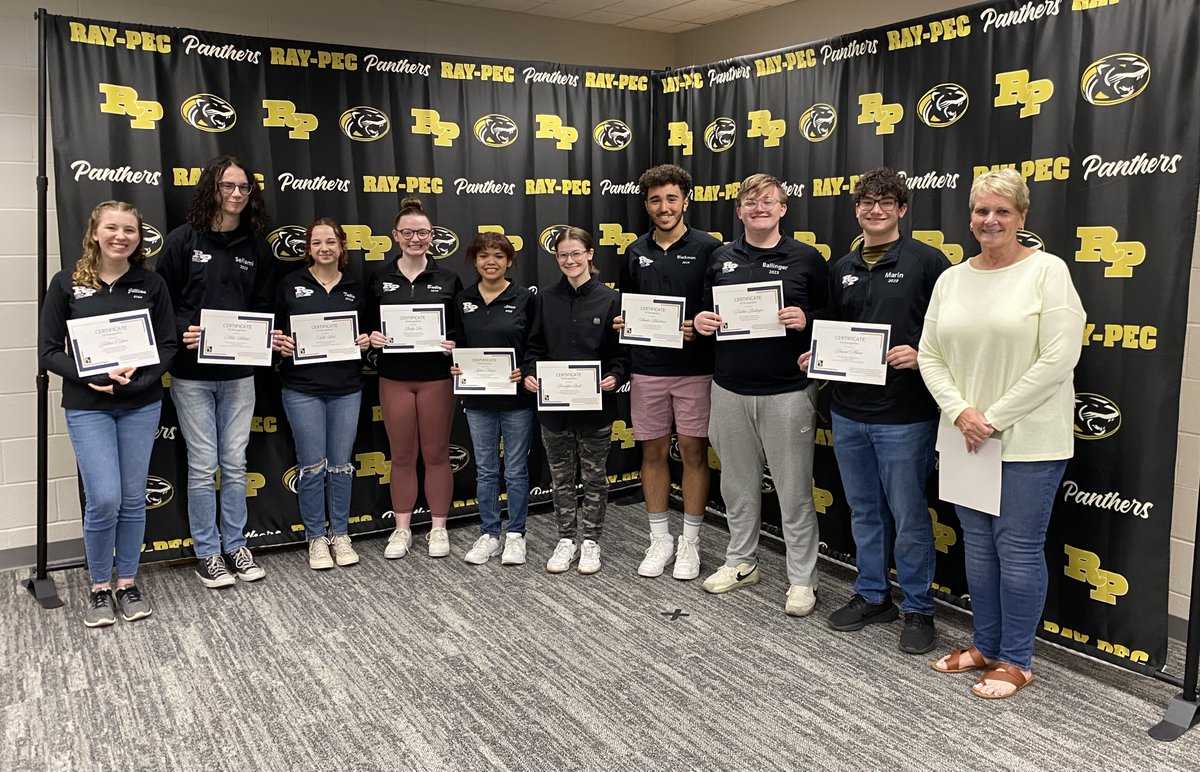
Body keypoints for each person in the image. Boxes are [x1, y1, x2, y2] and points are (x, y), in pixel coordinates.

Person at [919, 169, 1085, 698]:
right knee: (978, 547)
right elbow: (930, 354)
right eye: (981, 211)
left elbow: (1060, 355)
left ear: (1021, 218)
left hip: (1028, 439)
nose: (990, 220)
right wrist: (962, 411)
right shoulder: (951, 279)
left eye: (1002, 212)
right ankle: (986, 645)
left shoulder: (1047, 272)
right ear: (970, 216)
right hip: (965, 436)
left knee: (1016, 548)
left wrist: (993, 417)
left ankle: (1017, 658)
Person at [798, 168, 950, 654]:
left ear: (902, 210)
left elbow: (953, 329)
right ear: (857, 209)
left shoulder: (929, 262)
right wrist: (816, 356)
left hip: (905, 414)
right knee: (864, 511)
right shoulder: (841, 266)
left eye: (886, 202)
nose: (876, 209)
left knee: (908, 515)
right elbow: (837, 329)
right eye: (867, 202)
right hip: (848, 411)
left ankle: (919, 608)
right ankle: (872, 594)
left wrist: (923, 352)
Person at [693, 173, 829, 616]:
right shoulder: (719, 257)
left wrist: (806, 318)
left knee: (793, 492)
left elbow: (833, 317)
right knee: (737, 486)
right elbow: (702, 312)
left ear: (783, 208)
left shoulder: (807, 258)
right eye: (750, 201)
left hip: (788, 392)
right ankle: (741, 562)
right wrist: (701, 323)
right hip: (729, 387)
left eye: (768, 201)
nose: (759, 208)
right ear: (739, 210)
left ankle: (802, 579)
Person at [39, 201, 177, 626]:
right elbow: (47, 352)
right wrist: (89, 374)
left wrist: (141, 380)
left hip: (140, 404)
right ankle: (100, 586)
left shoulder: (151, 284)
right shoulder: (66, 284)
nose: (121, 236)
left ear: (139, 237)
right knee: (104, 498)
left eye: (130, 230)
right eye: (112, 228)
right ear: (95, 232)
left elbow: (168, 345)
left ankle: (127, 582)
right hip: (88, 406)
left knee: (133, 498)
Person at [156, 155, 277, 589]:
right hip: (190, 375)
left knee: (236, 463)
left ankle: (236, 544)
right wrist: (179, 331)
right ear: (212, 187)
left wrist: (265, 337)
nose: (237, 194)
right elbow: (160, 302)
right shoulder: (182, 240)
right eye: (229, 186)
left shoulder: (256, 247)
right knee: (204, 464)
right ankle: (208, 551)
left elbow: (264, 309)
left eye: (244, 188)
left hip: (240, 375)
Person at [616, 164, 722, 581]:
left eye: (671, 198)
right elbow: (628, 303)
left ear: (686, 201)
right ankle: (660, 539)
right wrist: (626, 323)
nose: (664, 207)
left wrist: (697, 325)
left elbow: (720, 311)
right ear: (646, 204)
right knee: (653, 453)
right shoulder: (634, 251)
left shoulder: (710, 248)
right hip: (648, 370)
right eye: (656, 200)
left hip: (696, 370)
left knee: (694, 454)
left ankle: (691, 543)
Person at [523, 227, 629, 575]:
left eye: (575, 253)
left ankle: (591, 541)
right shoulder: (545, 298)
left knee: (596, 477)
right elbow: (535, 346)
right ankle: (566, 539)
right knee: (561, 477)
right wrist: (529, 372)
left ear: (590, 254)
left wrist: (616, 375)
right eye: (562, 255)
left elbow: (621, 353)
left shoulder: (610, 299)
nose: (569, 260)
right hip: (554, 407)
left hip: (595, 406)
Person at [271, 218, 370, 570]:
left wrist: (366, 340)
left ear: (342, 246)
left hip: (347, 388)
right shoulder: (289, 284)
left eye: (331, 242)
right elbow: (274, 333)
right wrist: (279, 344)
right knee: (312, 466)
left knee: (341, 464)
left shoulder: (358, 286)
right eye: (316, 243)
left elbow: (371, 332)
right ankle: (316, 537)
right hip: (302, 389)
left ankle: (340, 534)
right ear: (308, 248)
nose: (324, 248)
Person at [367, 198, 462, 559]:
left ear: (432, 235)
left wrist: (452, 341)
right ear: (395, 235)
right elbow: (366, 328)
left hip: (436, 377)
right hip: (394, 377)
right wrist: (372, 339)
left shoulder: (448, 278)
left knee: (436, 453)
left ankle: (438, 528)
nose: (415, 239)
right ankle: (402, 529)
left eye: (422, 232)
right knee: (402, 455)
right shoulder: (378, 277)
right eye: (408, 233)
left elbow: (458, 329)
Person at [451, 233, 538, 566]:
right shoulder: (463, 299)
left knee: (515, 471)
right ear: (474, 260)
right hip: (478, 401)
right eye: (484, 255)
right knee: (486, 471)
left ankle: (515, 535)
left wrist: (525, 370)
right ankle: (489, 533)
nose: (491, 262)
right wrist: (456, 366)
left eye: (499, 256)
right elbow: (457, 342)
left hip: (516, 400)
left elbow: (534, 344)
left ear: (510, 261)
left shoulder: (526, 298)